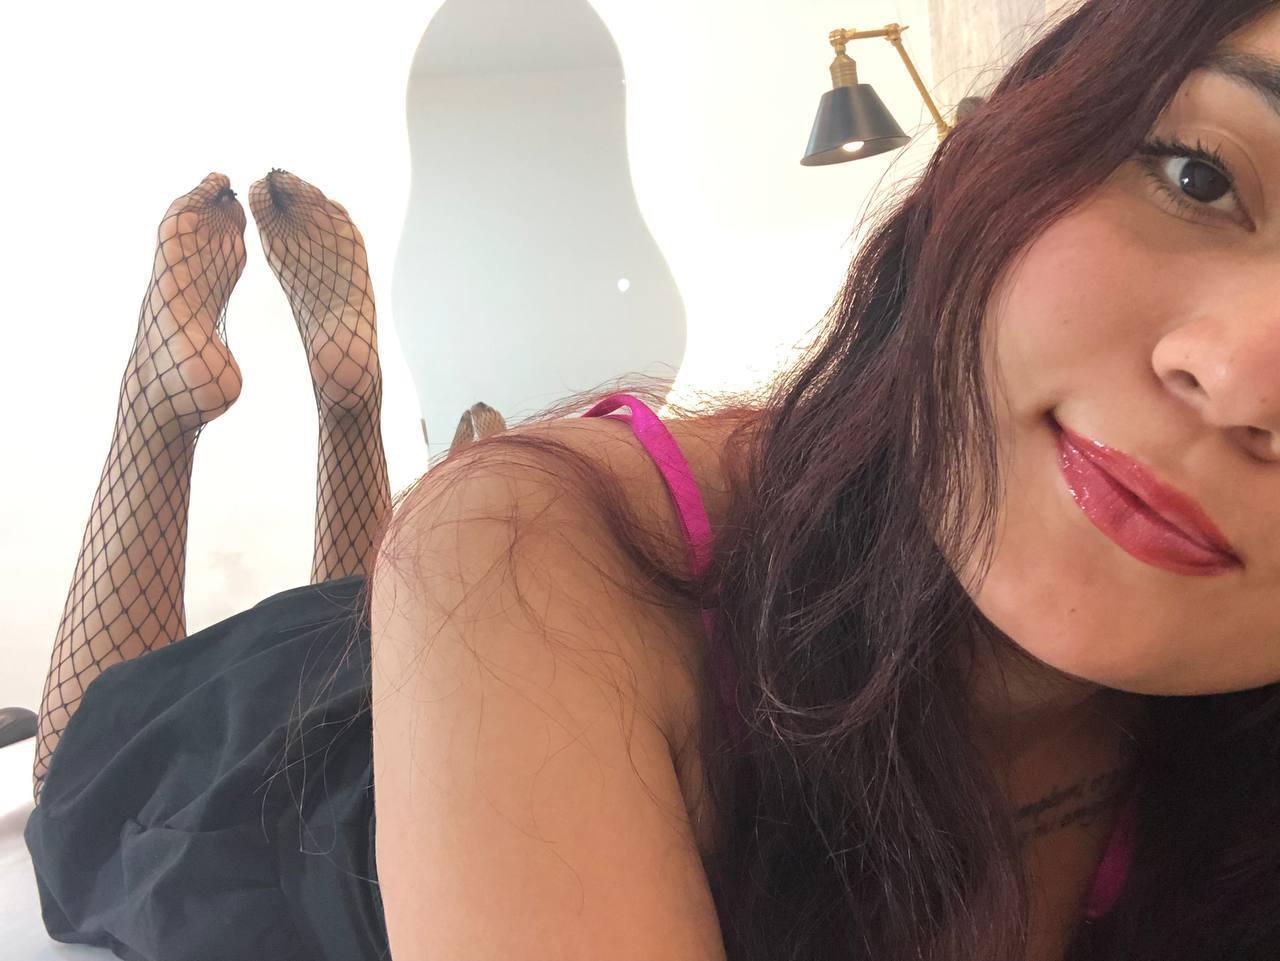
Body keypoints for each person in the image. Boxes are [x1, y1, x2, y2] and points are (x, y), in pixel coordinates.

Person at [22, 0, 1280, 958]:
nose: (1233, 375)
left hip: (427, 648)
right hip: (289, 778)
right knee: (79, 766)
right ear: (996, 153)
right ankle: (168, 416)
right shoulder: (530, 535)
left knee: (378, 600)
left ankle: (342, 410)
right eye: (1198, 174)